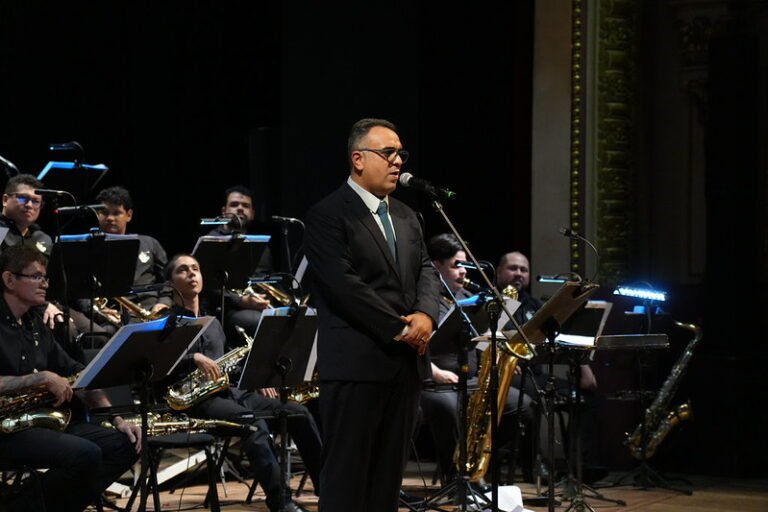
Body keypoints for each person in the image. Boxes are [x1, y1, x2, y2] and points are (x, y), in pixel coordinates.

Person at [305, 118, 440, 512]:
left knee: (387, 480)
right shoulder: (328, 214)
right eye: (388, 153)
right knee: (347, 477)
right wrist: (401, 329)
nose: (398, 161)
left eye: (401, 153)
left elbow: (426, 270)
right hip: (357, 364)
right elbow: (344, 285)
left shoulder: (407, 216)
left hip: (404, 367)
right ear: (358, 159)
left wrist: (426, 317)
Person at [162, 253, 321, 512]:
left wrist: (253, 380)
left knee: (298, 413)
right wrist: (193, 357)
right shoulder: (167, 323)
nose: (192, 274)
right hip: (196, 401)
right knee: (252, 423)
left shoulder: (213, 321)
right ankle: (282, 502)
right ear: (170, 284)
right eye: (183, 270)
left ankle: (329, 489)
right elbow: (159, 365)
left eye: (196, 269)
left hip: (230, 393)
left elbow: (228, 366)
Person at [0, 245, 141, 512]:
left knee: (124, 445)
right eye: (37, 277)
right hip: (6, 430)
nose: (45, 284)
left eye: (46, 278)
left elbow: (79, 374)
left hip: (39, 422)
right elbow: (41, 377)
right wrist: (38, 378)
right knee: (85, 454)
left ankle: (27, 506)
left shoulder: (35, 324)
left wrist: (117, 418)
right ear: (9, 280)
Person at [421, 234, 535, 484]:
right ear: (435, 265)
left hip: (469, 378)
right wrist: (436, 372)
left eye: (465, 265)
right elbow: (411, 344)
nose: (463, 272)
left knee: (522, 407)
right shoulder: (421, 298)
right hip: (433, 381)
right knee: (449, 409)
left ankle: (478, 460)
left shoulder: (469, 298)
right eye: (456, 265)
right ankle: (454, 477)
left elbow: (482, 340)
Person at [204, 185, 274, 342]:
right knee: (261, 322)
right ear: (224, 211)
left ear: (253, 213)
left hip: (256, 306)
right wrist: (241, 300)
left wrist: (267, 298)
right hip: (224, 309)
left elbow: (266, 280)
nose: (240, 209)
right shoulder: (212, 241)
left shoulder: (261, 247)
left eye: (246, 206)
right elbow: (209, 285)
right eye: (234, 205)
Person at [92, 186, 171, 320]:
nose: (110, 218)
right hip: (113, 315)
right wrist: (98, 311)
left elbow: (168, 281)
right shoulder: (89, 247)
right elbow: (79, 290)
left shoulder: (150, 243)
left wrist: (164, 302)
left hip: (151, 310)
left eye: (117, 213)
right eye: (104, 212)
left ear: (129, 215)